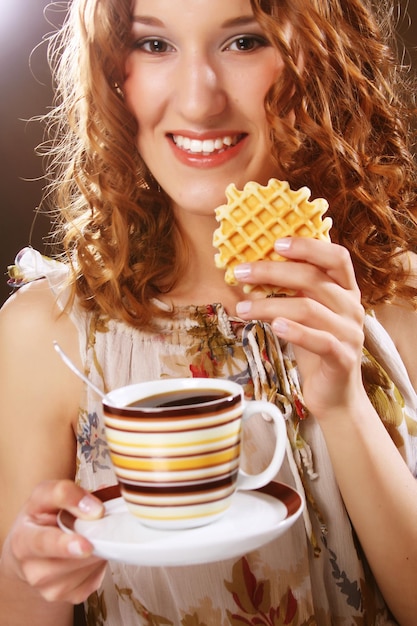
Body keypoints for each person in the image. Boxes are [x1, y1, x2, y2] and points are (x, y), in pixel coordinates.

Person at [1, 0, 417, 624]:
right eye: (154, 45)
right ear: (112, 75)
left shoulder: (398, 299)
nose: (199, 100)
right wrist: (28, 570)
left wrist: (344, 404)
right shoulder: (45, 337)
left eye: (244, 42)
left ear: (317, 54)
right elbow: (28, 605)